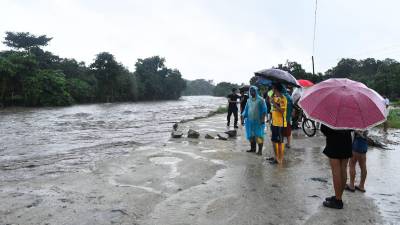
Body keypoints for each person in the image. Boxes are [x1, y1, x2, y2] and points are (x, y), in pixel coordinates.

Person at [321, 124, 352, 209]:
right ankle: (339, 196)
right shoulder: (350, 111)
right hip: (347, 141)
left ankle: (338, 201)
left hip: (334, 141)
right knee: (343, 169)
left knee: (336, 171)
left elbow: (324, 129)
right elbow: (352, 128)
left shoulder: (330, 111)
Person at [242, 86, 267, 155]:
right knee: (251, 135)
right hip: (249, 121)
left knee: (259, 135)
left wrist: (262, 119)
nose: (252, 92)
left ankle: (260, 150)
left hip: (258, 121)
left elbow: (264, 110)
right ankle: (253, 149)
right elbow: (246, 110)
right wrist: (243, 118)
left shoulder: (261, 100)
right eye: (251, 91)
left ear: (256, 91)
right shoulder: (248, 100)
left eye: (253, 91)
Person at [270, 83, 287, 164]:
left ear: (276, 89)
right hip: (274, 122)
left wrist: (274, 104)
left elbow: (282, 111)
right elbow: (271, 103)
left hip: (280, 123)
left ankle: (280, 159)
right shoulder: (275, 97)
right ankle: (276, 157)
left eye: (273, 88)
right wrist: (272, 100)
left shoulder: (283, 98)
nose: (272, 89)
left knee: (279, 142)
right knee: (273, 141)